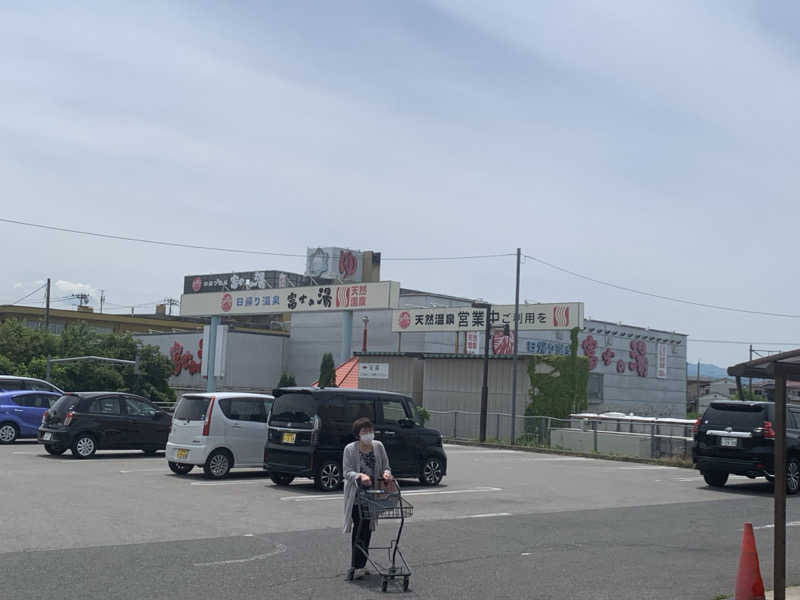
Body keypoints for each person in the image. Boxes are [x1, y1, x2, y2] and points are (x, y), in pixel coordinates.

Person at [343, 416, 392, 579]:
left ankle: (361, 565)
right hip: (357, 496)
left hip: (374, 495)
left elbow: (386, 466)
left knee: (368, 529)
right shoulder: (350, 449)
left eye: (370, 431)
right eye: (365, 431)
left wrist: (386, 473)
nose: (369, 434)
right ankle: (355, 565)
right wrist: (359, 475)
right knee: (359, 528)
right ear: (358, 434)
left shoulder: (378, 446)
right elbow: (347, 471)